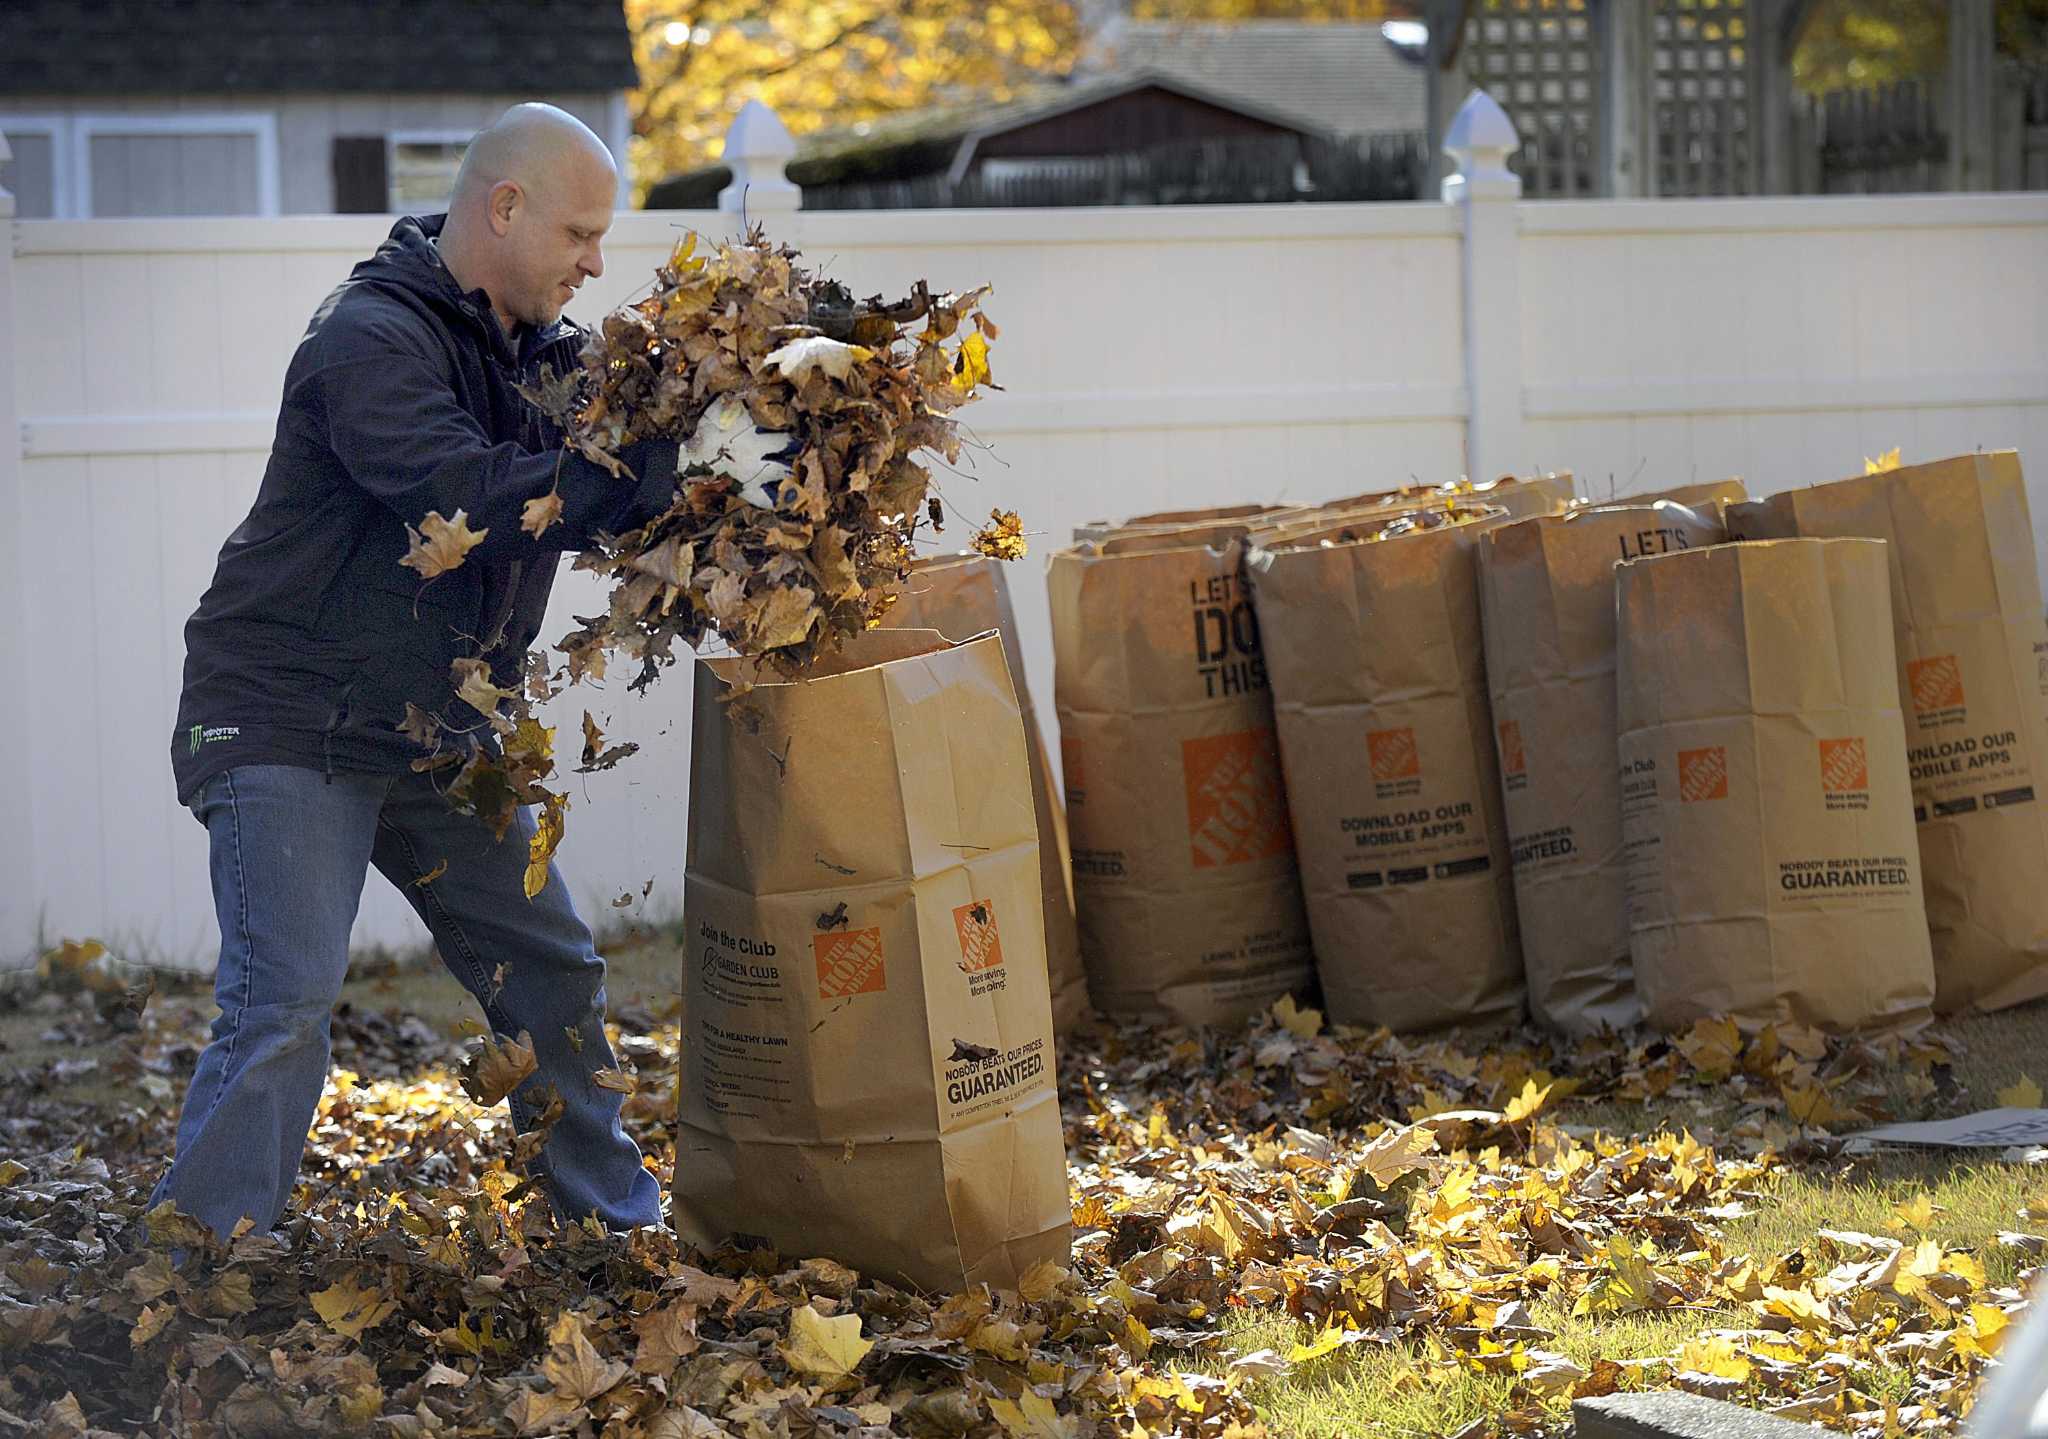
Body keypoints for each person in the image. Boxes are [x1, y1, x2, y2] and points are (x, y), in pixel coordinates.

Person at [153, 104, 676, 1245]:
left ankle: (613, 1228)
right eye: (581, 233)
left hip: (435, 731)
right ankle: (197, 1260)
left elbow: (633, 457)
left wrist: (725, 454)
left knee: (552, 970)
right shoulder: (366, 338)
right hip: (286, 718)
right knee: (283, 1002)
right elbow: (471, 494)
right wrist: (643, 477)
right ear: (504, 207)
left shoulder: (547, 357)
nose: (597, 262)